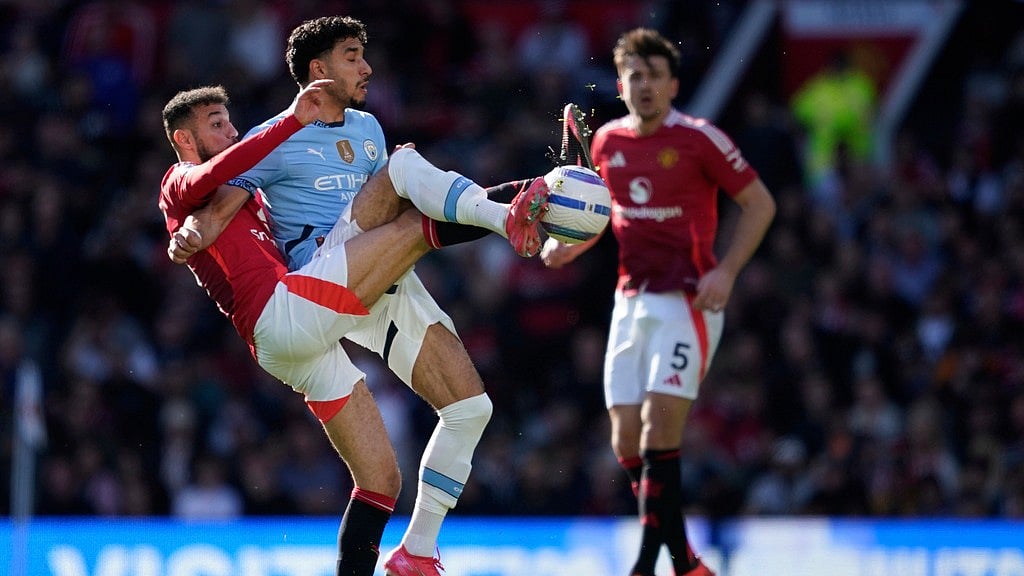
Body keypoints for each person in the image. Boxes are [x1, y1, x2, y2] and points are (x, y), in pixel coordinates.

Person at [159, 80, 547, 575]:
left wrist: (199, 229)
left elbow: (219, 205)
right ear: (185, 141)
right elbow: (209, 180)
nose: (233, 130)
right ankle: (514, 207)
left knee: (381, 480)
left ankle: (402, 562)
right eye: (217, 124)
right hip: (280, 313)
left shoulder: (237, 193)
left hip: (292, 343)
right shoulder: (178, 179)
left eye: (230, 119)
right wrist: (293, 119)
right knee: (409, 229)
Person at [541, 27, 776, 576]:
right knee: (626, 441)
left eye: (654, 76)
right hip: (631, 301)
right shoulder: (607, 144)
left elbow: (760, 204)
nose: (644, 85)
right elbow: (600, 216)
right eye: (634, 76)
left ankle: (646, 566)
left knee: (658, 431)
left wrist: (728, 271)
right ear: (621, 86)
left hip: (688, 301)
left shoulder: (700, 140)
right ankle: (688, 564)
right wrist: (568, 247)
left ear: (673, 84)